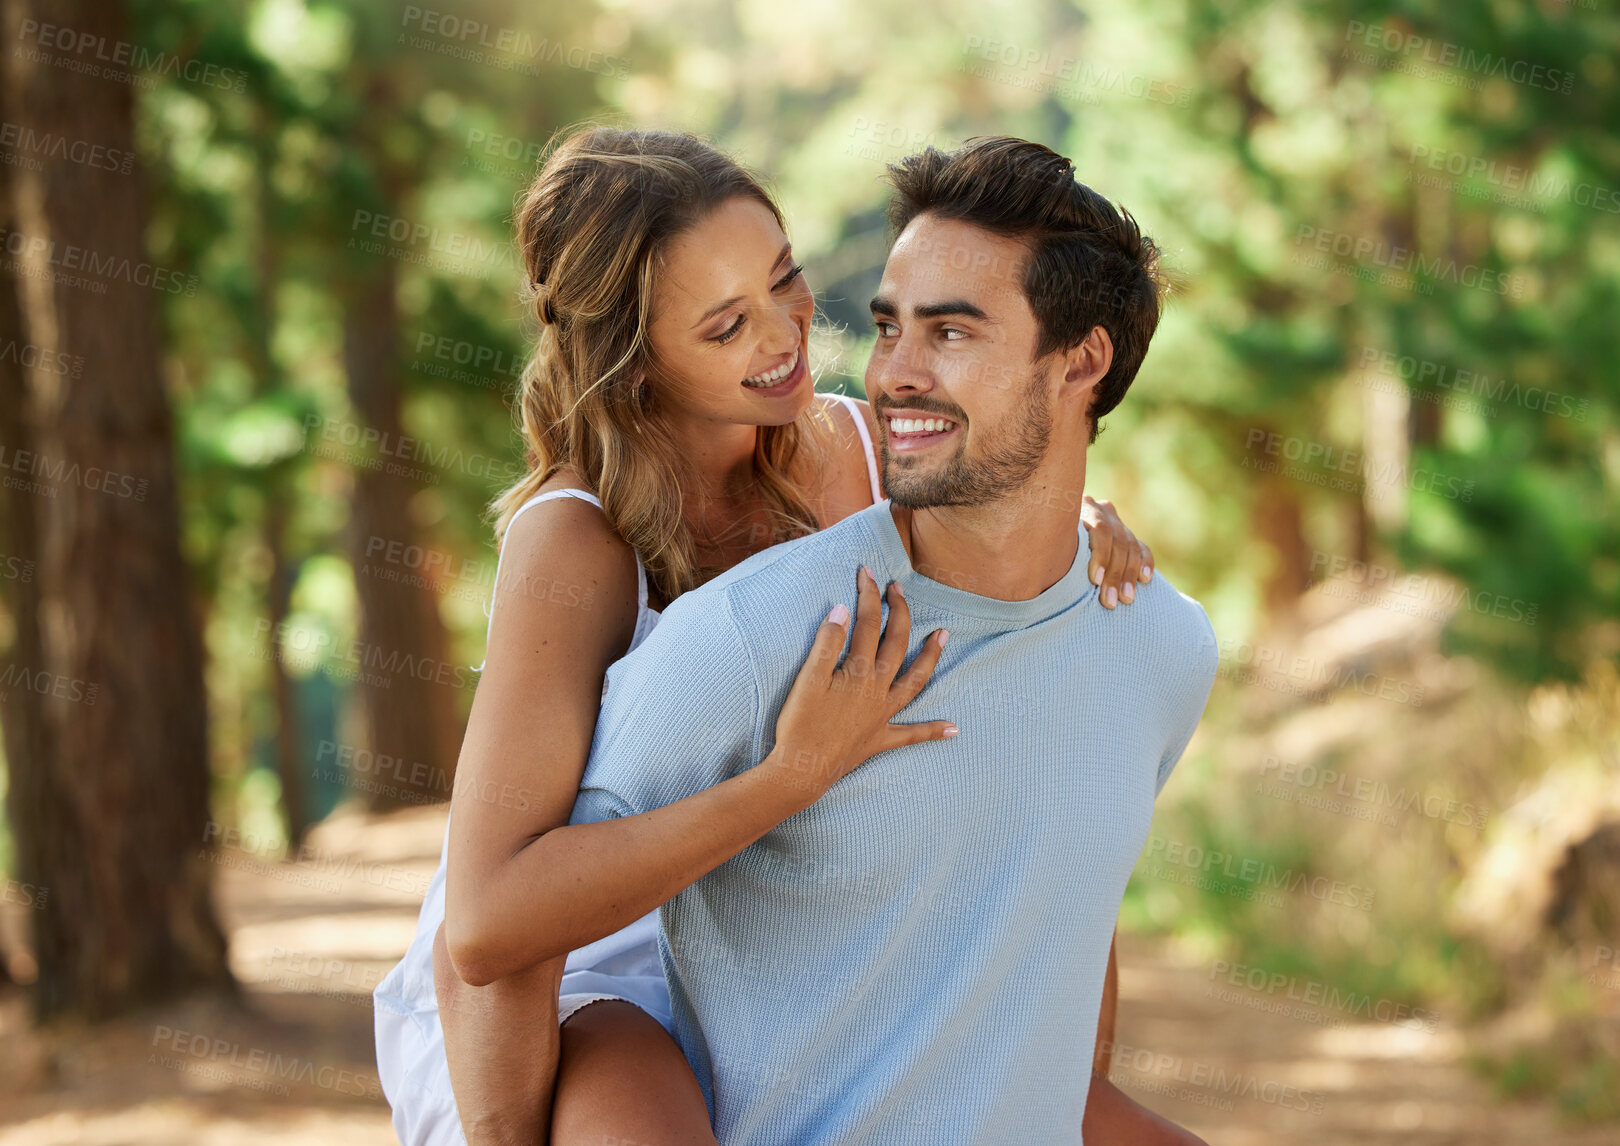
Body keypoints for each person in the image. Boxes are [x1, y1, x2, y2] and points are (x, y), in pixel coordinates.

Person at [372, 125, 1167, 1146]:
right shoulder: (576, 541)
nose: (784, 334)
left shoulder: (856, 451)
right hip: (597, 971)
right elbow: (489, 926)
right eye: (723, 326)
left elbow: (1008, 473)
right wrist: (788, 777)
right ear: (633, 360)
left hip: (798, 943)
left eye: (784, 278)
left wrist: (1086, 525)